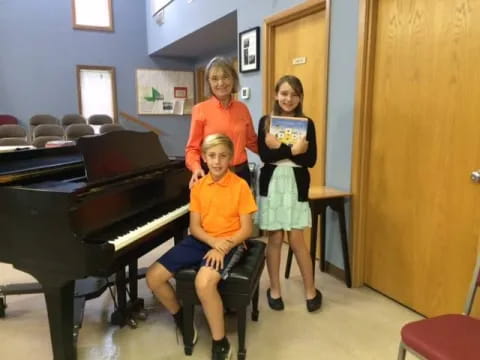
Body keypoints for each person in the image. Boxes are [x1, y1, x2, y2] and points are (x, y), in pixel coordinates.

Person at [146, 133, 257, 360]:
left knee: (204, 282)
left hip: (231, 241)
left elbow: (246, 230)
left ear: (230, 159)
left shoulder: (240, 186)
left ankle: (220, 342)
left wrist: (222, 246)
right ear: (204, 158)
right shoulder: (198, 187)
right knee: (153, 276)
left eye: (223, 156)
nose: (217, 162)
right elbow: (195, 228)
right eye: (212, 156)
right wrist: (212, 242)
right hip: (203, 239)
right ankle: (181, 318)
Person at [256, 75, 322, 312]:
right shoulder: (266, 121)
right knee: (274, 239)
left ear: (301, 97)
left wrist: (283, 149)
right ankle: (274, 289)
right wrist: (294, 150)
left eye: (294, 94)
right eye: (284, 93)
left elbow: (310, 160)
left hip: (297, 183)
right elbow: (265, 156)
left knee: (297, 240)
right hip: (272, 183)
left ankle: (310, 290)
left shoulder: (307, 123)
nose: (289, 98)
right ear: (276, 94)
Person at [185, 56, 258, 188]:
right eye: (214, 78)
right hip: (212, 175)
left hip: (240, 174)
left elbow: (252, 141)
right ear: (208, 83)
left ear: (233, 79)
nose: (221, 83)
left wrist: (279, 152)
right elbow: (192, 149)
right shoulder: (200, 109)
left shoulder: (242, 108)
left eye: (225, 77)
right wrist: (196, 168)